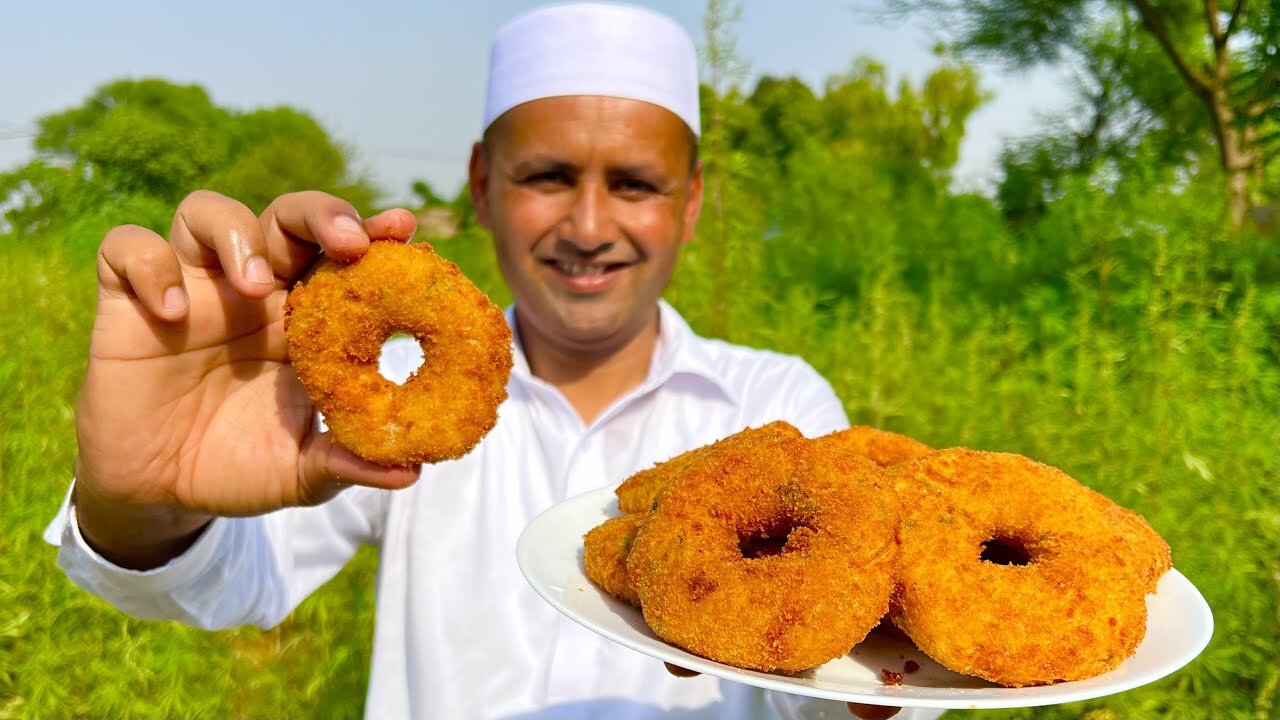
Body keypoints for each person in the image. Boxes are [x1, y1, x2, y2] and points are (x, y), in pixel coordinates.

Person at [45, 4, 938, 720]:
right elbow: (230, 587)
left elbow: (829, 689)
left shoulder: (777, 404)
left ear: (691, 202)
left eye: (634, 184)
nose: (588, 228)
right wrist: (140, 499)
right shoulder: (362, 419)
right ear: (479, 184)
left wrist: (881, 681)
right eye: (547, 176)